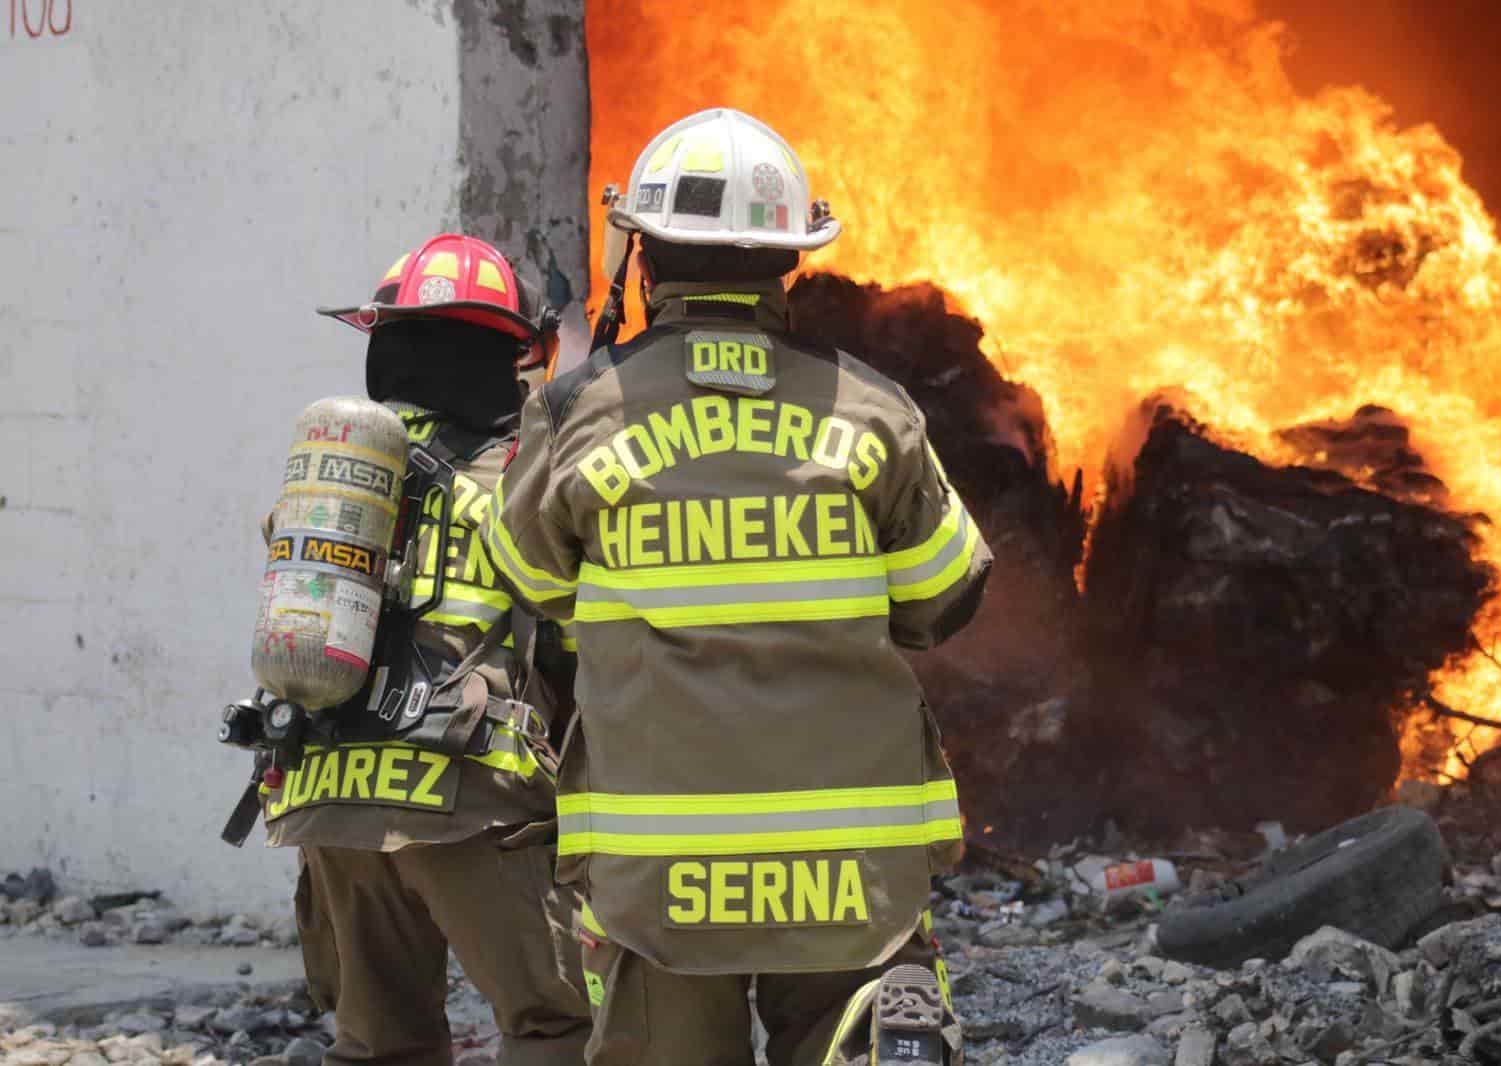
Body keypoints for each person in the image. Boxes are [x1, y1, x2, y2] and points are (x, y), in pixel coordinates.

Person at [482, 109, 992, 1065]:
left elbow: (528, 580)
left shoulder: (579, 411)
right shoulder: (874, 410)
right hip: (849, 869)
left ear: (644, 260)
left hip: (660, 877)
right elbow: (946, 595)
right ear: (790, 264)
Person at [262, 234, 591, 1066]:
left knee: (378, 1043)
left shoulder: (334, 480)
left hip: (329, 795)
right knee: (557, 1025)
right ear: (506, 355)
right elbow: (581, 641)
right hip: (468, 799)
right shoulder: (522, 479)